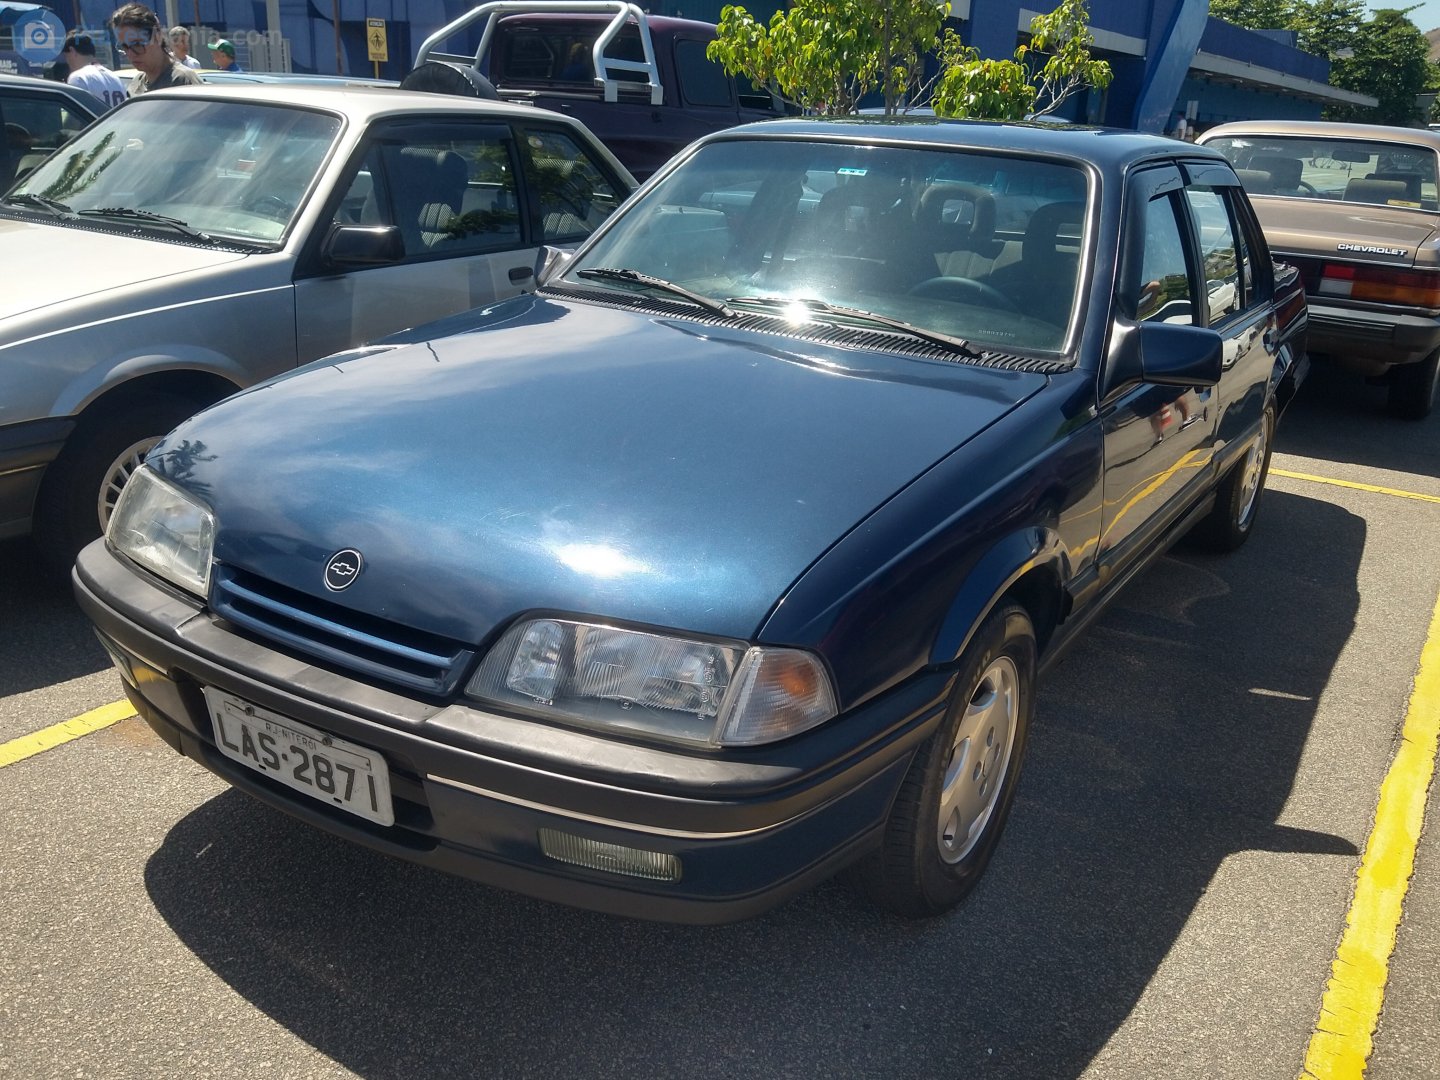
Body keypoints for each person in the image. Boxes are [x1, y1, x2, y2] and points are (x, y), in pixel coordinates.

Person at [110, 3, 202, 94]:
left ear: (158, 36)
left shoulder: (184, 81)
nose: (130, 54)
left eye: (137, 44)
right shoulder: (135, 85)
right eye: (125, 46)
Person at [61, 33, 127, 110]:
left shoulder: (78, 78)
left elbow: (75, 114)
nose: (67, 61)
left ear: (72, 51)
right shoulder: (115, 78)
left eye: (66, 56)